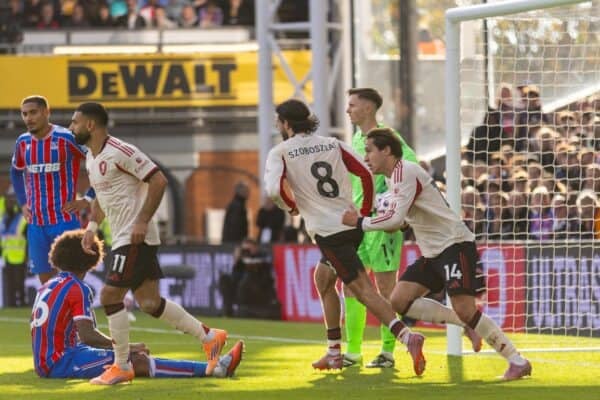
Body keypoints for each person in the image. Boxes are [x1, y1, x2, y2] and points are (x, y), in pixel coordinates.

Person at [342, 128, 532, 380]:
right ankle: (466, 325)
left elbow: (396, 219)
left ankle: (517, 360)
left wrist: (360, 222)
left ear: (386, 150)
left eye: (369, 150)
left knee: (466, 308)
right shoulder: (393, 178)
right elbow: (402, 221)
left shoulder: (405, 172)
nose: (365, 157)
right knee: (399, 300)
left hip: (454, 244)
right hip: (433, 251)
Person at [70, 102, 230, 385]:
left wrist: (143, 220)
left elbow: (158, 180)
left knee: (109, 296)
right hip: (122, 235)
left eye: (75, 122)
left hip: (134, 235)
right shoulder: (91, 159)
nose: (72, 127)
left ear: (90, 125)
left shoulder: (120, 151)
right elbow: (101, 199)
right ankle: (210, 337)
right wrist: (91, 228)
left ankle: (121, 366)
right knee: (149, 302)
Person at [264, 98, 426, 376]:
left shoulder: (280, 152)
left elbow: (274, 191)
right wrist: (362, 212)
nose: (277, 125)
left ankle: (407, 337)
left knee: (363, 290)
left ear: (287, 124)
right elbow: (364, 172)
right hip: (349, 225)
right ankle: (334, 352)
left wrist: (292, 207)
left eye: (278, 121)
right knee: (324, 280)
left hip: (329, 231)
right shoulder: (332, 143)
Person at [31, 229, 244, 380]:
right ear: (89, 260)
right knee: (138, 360)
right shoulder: (76, 288)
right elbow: (87, 335)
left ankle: (213, 366)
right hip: (60, 362)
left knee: (129, 358)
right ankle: (216, 369)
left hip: (54, 358)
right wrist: (127, 348)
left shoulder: (49, 284)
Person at [342, 87, 418, 368]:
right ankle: (353, 352)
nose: (348, 109)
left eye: (352, 105)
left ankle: (387, 351)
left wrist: (391, 199)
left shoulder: (388, 138)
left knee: (386, 289)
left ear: (368, 109)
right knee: (351, 286)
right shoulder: (358, 138)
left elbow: (410, 164)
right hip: (358, 225)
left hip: (382, 223)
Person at [10, 95, 94, 284]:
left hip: (64, 221)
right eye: (24, 114)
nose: (28, 118)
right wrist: (23, 203)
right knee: (47, 285)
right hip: (36, 224)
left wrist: (87, 199)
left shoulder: (66, 138)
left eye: (33, 112)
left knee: (72, 282)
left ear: (47, 112)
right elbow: (15, 173)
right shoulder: (23, 142)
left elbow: (100, 164)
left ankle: (81, 313)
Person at [219, 238, 280, 319]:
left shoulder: (263, 255)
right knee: (224, 279)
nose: (246, 251)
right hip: (240, 289)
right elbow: (234, 276)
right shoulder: (241, 259)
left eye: (248, 249)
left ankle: (242, 310)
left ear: (255, 247)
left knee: (246, 279)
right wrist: (237, 260)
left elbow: (263, 269)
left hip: (259, 289)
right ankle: (228, 312)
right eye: (244, 249)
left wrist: (248, 259)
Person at [1, 187, 27, 306]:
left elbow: (26, 237)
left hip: (20, 256)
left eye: (12, 198)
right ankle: (11, 304)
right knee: (9, 284)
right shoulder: (4, 217)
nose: (9, 201)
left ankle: (21, 303)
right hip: (6, 256)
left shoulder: (21, 218)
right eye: (8, 198)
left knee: (19, 283)